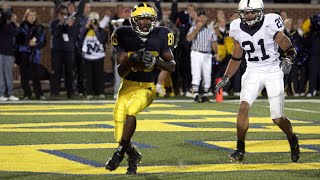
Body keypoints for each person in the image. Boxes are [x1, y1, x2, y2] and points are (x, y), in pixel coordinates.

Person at [215, 0, 300, 163]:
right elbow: (236, 57)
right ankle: (240, 149)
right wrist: (226, 77)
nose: (248, 16)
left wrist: (289, 58)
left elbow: (288, 47)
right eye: (245, 12)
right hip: (253, 71)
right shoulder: (236, 27)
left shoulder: (270, 24)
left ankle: (292, 138)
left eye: (252, 12)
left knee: (277, 118)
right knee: (243, 108)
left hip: (273, 71)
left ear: (260, 12)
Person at [105, 3, 175, 174]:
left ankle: (119, 154)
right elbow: (121, 71)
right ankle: (133, 154)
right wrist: (132, 59)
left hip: (147, 87)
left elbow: (171, 66)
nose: (144, 22)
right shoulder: (122, 34)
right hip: (127, 85)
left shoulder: (162, 34)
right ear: (133, 20)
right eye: (141, 19)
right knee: (119, 133)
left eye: (148, 19)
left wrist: (155, 62)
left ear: (154, 20)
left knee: (131, 110)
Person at [186, 9, 217, 103]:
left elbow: (214, 42)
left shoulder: (210, 30)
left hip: (207, 54)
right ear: (198, 18)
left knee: (207, 75)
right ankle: (195, 94)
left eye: (204, 17)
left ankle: (205, 94)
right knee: (196, 74)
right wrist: (197, 29)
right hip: (196, 53)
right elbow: (188, 38)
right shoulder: (193, 28)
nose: (202, 19)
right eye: (200, 17)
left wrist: (216, 52)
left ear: (206, 18)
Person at [16, 9, 46, 100]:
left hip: (35, 55)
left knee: (36, 75)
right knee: (24, 75)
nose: (32, 17)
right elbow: (17, 42)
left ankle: (39, 94)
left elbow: (43, 42)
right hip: (23, 54)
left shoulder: (40, 28)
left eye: (34, 15)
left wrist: (35, 44)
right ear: (26, 16)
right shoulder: (21, 27)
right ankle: (27, 94)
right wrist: (27, 43)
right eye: (30, 15)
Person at [81, 12, 107, 99]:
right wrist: (86, 27)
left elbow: (101, 40)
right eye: (91, 20)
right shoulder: (86, 29)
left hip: (99, 56)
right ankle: (89, 93)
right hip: (88, 56)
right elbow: (80, 37)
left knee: (99, 75)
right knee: (88, 76)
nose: (93, 22)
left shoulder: (101, 30)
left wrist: (96, 29)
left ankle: (100, 92)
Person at [0, 4, 19, 101]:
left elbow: (16, 33)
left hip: (9, 53)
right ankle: (1, 94)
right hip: (0, 52)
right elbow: (3, 16)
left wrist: (13, 22)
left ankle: (10, 94)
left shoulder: (12, 25)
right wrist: (2, 9)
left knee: (9, 74)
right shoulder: (2, 23)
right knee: (1, 74)